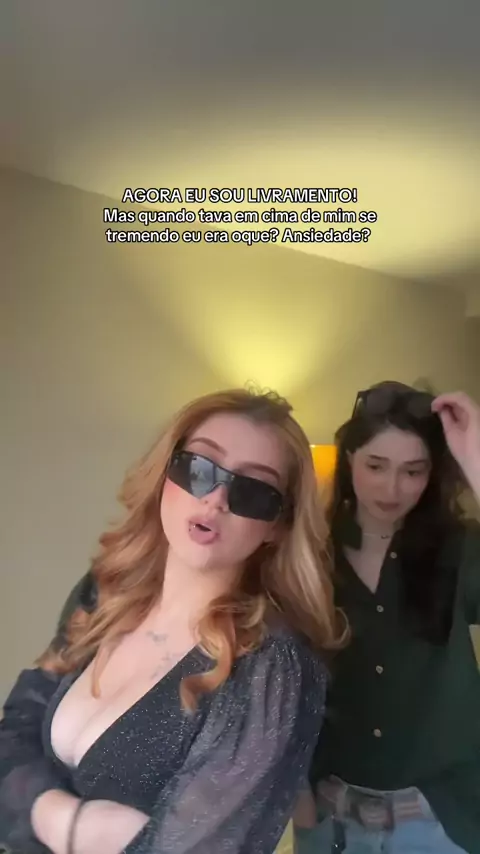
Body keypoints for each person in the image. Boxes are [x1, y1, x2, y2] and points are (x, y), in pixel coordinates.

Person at [0, 387, 345, 854]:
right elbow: (14, 731)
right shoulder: (105, 592)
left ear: (278, 526)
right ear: (165, 472)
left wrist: (28, 806)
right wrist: (65, 822)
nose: (217, 499)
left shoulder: (272, 668)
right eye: (199, 468)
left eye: (253, 491)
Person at [294, 382, 480, 854]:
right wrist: (298, 795)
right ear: (349, 458)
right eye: (375, 466)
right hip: (332, 823)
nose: (391, 489)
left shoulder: (459, 550)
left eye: (413, 471)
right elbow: (276, 677)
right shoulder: (307, 553)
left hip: (444, 825)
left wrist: (476, 460)